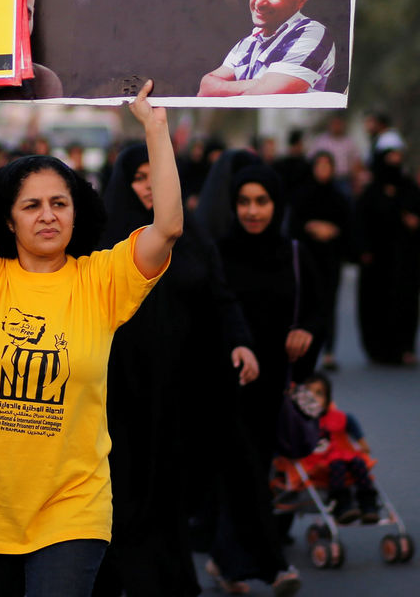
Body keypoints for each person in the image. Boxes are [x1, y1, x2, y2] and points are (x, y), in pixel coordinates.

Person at [0, 66, 183, 597]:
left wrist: (155, 129)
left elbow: (166, 228)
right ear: (9, 220)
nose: (47, 216)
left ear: (77, 213)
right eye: (31, 205)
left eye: (60, 203)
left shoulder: (102, 280)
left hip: (72, 508)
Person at [92, 143, 258, 597]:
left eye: (156, 175)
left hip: (181, 387)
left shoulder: (195, 237)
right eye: (140, 177)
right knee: (121, 489)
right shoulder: (102, 234)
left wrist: (241, 343)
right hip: (117, 390)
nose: (149, 186)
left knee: (170, 488)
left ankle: (166, 578)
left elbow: (219, 298)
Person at [203, 163, 324, 595]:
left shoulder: (294, 253)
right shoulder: (218, 252)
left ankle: (224, 561)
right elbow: (208, 313)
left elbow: (316, 308)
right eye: (244, 202)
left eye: (261, 201)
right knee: (247, 472)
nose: (252, 211)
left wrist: (306, 330)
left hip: (277, 384)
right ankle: (275, 567)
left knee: (253, 473)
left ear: (276, 203)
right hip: (230, 383)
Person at [197, 0, 336, 96]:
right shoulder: (248, 42)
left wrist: (229, 89)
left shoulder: (311, 33)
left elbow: (264, 97)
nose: (260, 2)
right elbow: (206, 88)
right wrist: (260, 83)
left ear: (301, 0)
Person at [355, 143, 420, 365]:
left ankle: (404, 348)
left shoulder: (409, 188)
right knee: (376, 303)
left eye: (398, 158)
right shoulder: (371, 192)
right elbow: (360, 224)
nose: (394, 164)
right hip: (376, 261)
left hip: (404, 258)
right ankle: (379, 349)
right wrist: (363, 250)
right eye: (390, 159)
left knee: (405, 303)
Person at [289, 152, 353, 371]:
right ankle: (307, 350)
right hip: (308, 258)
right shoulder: (302, 195)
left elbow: (349, 226)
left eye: (328, 165)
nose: (324, 170)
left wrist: (333, 230)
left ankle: (329, 351)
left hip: (330, 258)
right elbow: (294, 226)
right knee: (307, 302)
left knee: (329, 304)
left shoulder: (339, 196)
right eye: (320, 165)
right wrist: (311, 228)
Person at [300, 372, 380, 524]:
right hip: (318, 462)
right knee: (338, 466)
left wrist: (362, 442)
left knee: (359, 464)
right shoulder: (301, 421)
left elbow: (350, 422)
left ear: (328, 399)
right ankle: (342, 505)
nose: (314, 399)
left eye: (319, 394)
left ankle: (368, 505)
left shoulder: (338, 416)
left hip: (341, 455)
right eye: (309, 394)